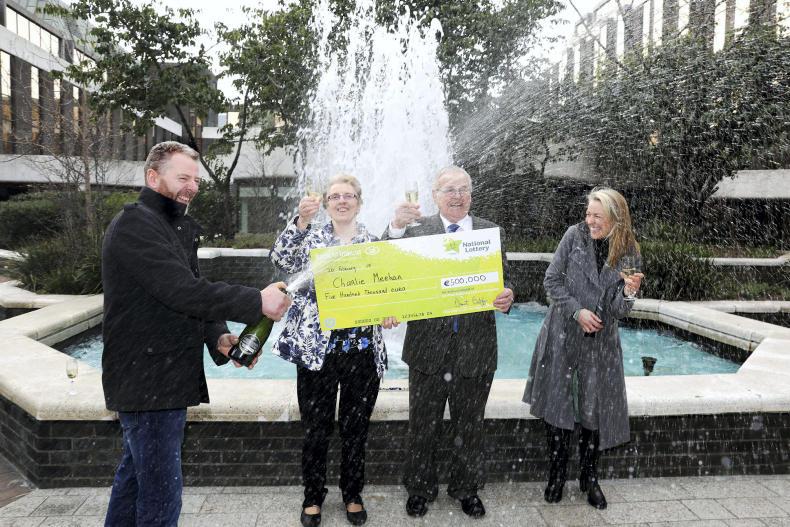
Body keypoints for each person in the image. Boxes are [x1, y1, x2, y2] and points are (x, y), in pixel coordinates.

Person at [101, 141, 291, 527]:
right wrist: (257, 301)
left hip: (157, 379)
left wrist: (218, 337)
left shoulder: (170, 226)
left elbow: (188, 292)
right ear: (153, 177)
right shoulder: (137, 225)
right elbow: (182, 291)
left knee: (134, 480)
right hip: (148, 381)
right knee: (160, 496)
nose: (191, 186)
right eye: (182, 177)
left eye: (196, 180)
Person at [382, 165, 514, 519]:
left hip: (476, 348)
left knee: (470, 426)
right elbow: (383, 264)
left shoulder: (490, 232)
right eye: (449, 190)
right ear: (435, 196)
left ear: (471, 194)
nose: (457, 196)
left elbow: (507, 280)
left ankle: (466, 489)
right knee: (422, 426)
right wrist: (395, 227)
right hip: (427, 349)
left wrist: (508, 295)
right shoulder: (416, 230)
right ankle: (419, 489)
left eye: (463, 189)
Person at [270, 174, 388, 527]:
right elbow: (280, 258)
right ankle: (312, 496)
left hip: (362, 352)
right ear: (325, 203)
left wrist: (390, 311)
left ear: (359, 203)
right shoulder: (310, 237)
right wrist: (300, 221)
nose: (341, 201)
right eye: (334, 196)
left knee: (356, 430)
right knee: (315, 430)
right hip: (316, 353)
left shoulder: (373, 243)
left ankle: (352, 494)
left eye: (348, 195)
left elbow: (388, 289)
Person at [522, 187, 644, 510]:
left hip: (599, 344)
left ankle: (589, 478)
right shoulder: (573, 236)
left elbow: (618, 310)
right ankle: (556, 474)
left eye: (597, 216)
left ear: (615, 218)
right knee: (558, 408)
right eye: (588, 214)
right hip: (562, 334)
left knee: (594, 412)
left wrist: (629, 294)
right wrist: (577, 311)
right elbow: (551, 281)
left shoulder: (629, 250)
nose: (590, 221)